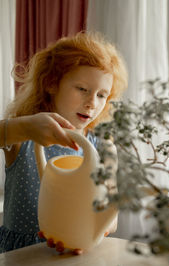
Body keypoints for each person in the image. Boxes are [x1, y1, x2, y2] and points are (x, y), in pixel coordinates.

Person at [0, 31, 128, 253]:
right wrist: (25, 127)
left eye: (101, 95)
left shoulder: (103, 147)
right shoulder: (24, 139)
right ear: (51, 83)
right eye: (82, 89)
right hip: (18, 255)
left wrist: (83, 230)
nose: (91, 103)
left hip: (73, 251)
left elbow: (111, 215)